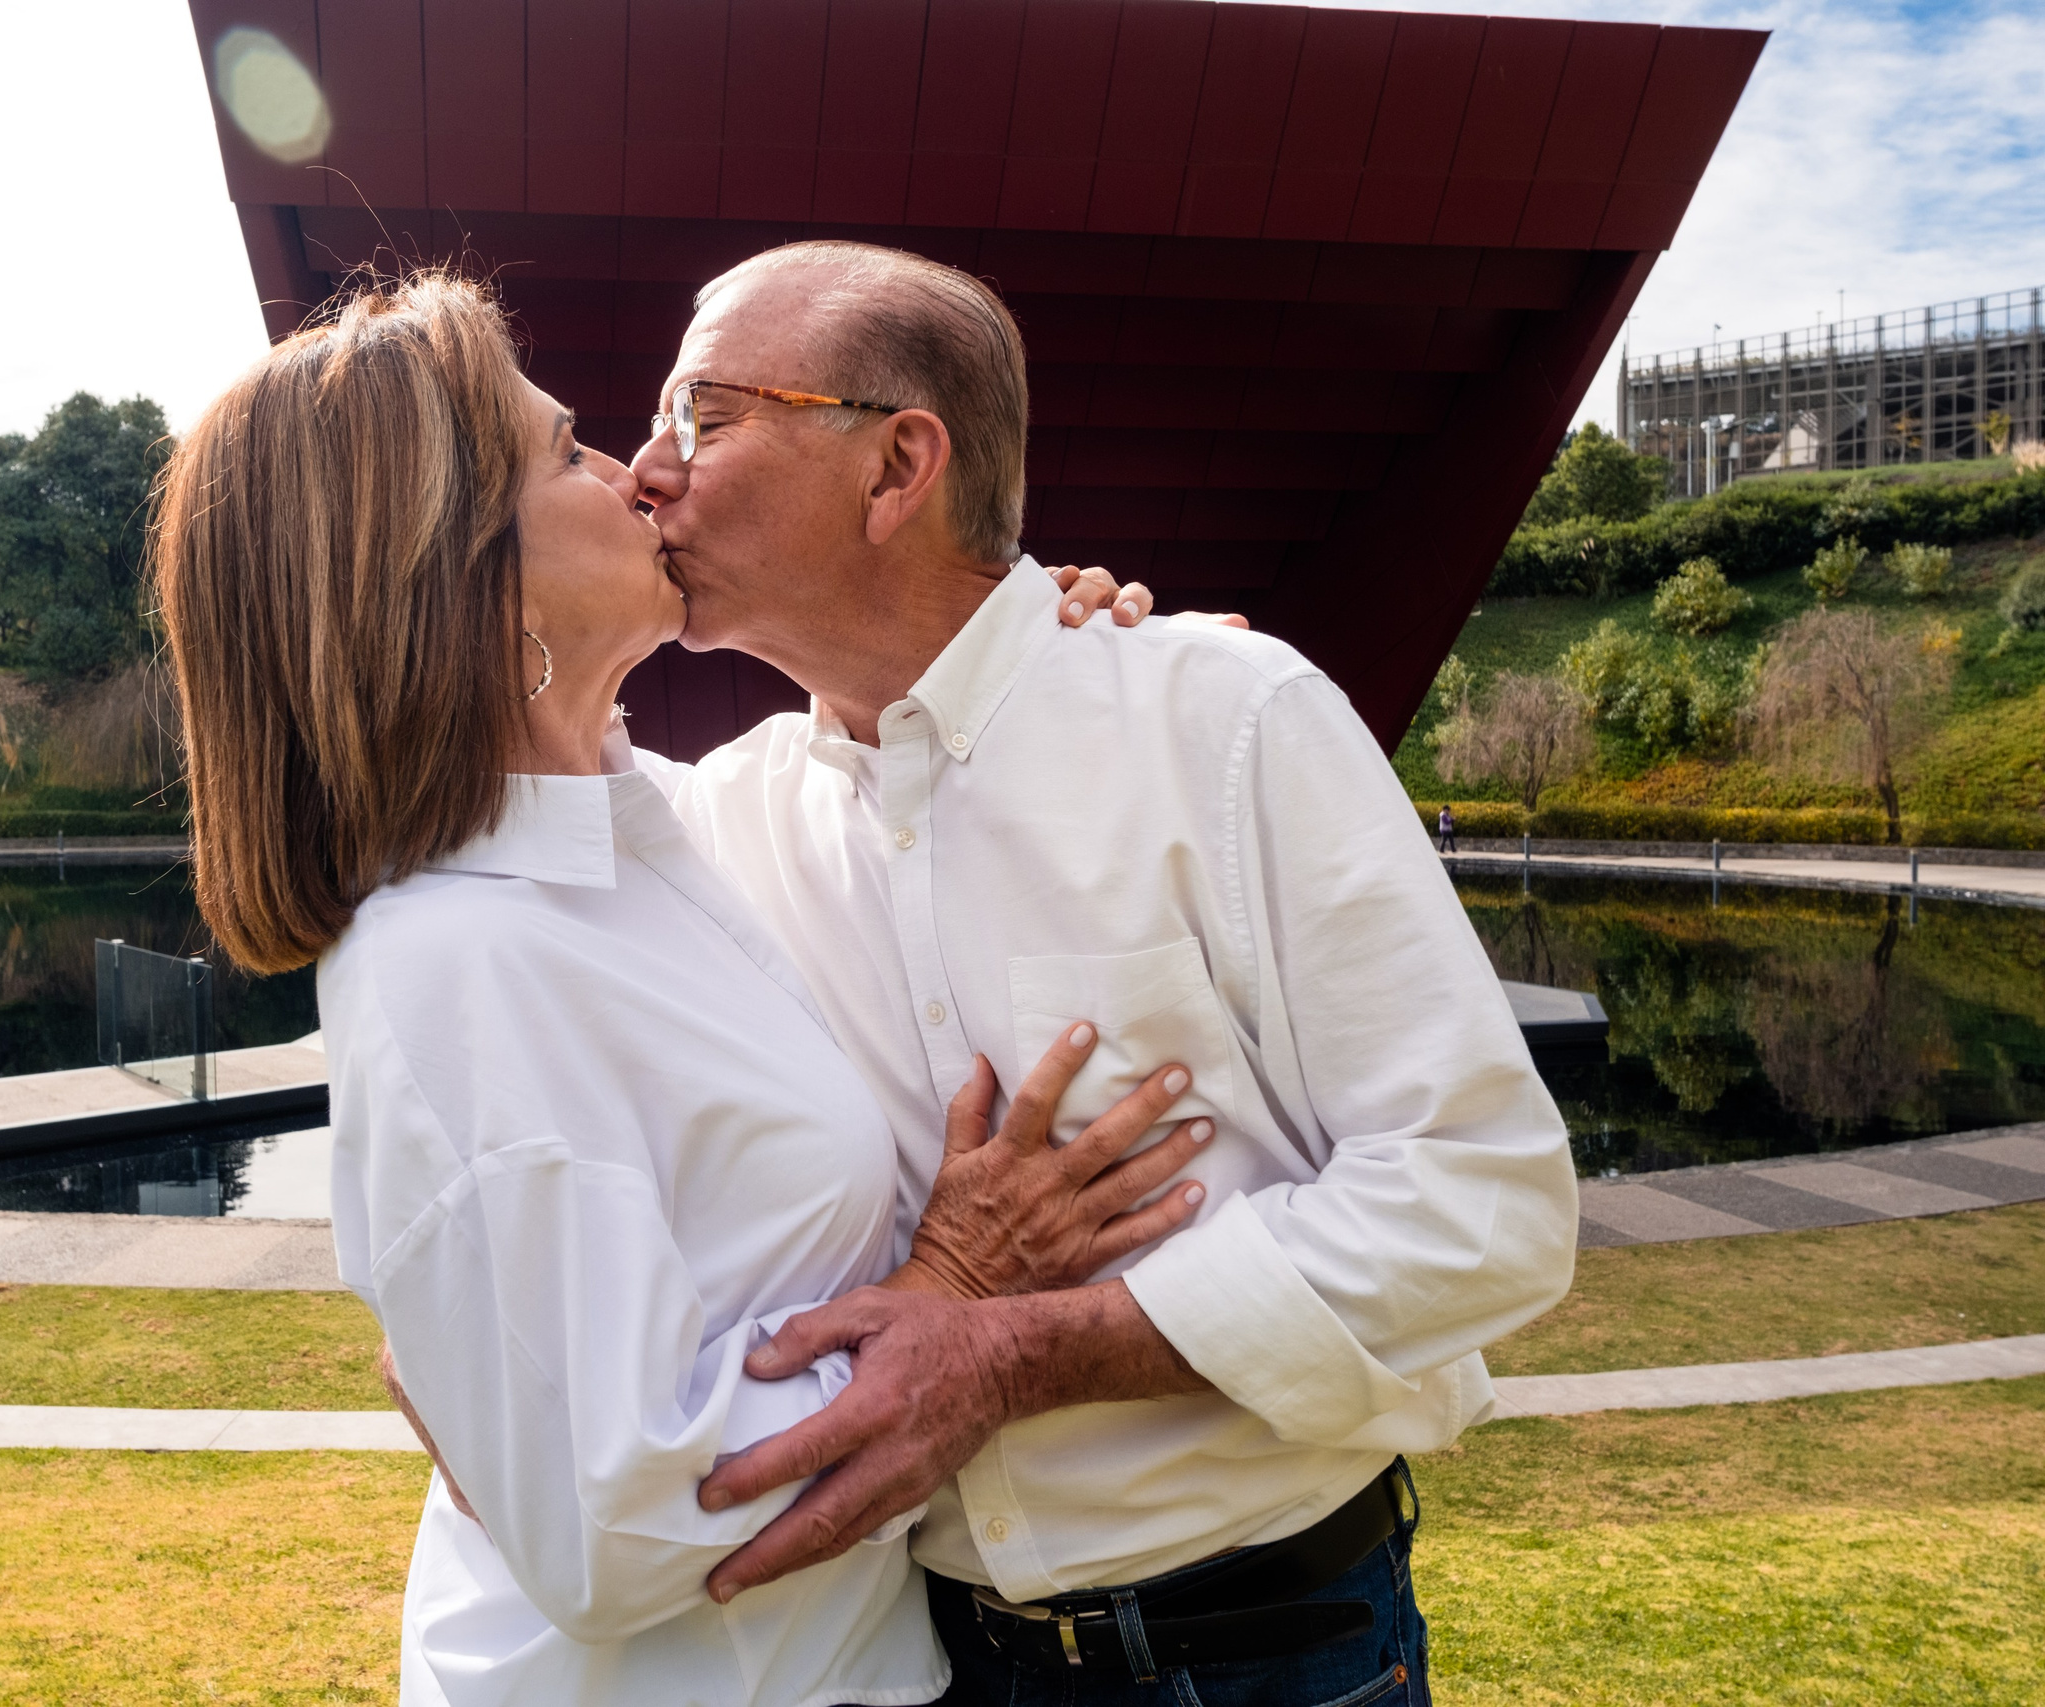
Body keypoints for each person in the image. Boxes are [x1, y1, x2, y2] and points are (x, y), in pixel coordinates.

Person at [149, 272, 1221, 1707]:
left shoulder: (665, 832)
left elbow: (895, 748)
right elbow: (616, 1525)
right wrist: (952, 1292)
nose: (640, 472)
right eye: (569, 452)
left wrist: (1030, 645)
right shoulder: (457, 962)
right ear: (460, 572)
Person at [615, 241, 1580, 1705]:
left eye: (702, 414)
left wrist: (1015, 1353)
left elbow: (1485, 1204)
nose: (647, 471)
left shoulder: (1228, 719)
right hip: (929, 1663)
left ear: (896, 469)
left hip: (1271, 1660)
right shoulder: (716, 820)